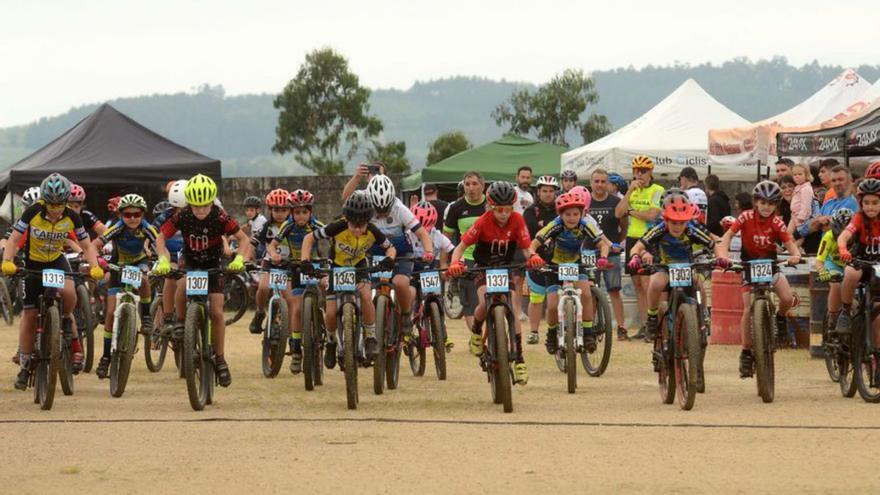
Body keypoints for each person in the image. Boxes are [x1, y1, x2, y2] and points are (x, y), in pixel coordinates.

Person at [3, 173, 104, 389]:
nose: (56, 209)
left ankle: (65, 319)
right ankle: (25, 363)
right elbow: (13, 239)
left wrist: (95, 267)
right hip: (33, 262)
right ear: (44, 201)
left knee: (69, 293)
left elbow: (87, 246)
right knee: (30, 315)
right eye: (51, 204)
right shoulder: (33, 212)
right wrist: (7, 261)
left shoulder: (72, 217)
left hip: (56, 261)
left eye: (60, 204)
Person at [153, 174, 250, 388]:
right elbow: (161, 236)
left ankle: (221, 358)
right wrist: (162, 258)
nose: (200, 211)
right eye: (196, 206)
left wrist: (240, 258)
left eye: (205, 206)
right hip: (190, 260)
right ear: (190, 203)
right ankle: (180, 323)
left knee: (216, 312)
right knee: (182, 284)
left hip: (213, 263)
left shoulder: (220, 216)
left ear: (211, 202)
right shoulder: (183, 216)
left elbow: (244, 239)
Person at [447, 181, 542, 385]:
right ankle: (476, 332)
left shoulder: (517, 220)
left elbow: (526, 249)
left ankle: (519, 359)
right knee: (483, 302)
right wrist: (455, 262)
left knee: (513, 312)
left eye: (508, 209)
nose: (504, 214)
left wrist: (533, 257)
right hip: (483, 267)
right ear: (490, 207)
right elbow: (460, 247)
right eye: (499, 210)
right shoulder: (482, 221)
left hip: (504, 267)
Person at [716, 181, 801, 378]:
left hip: (770, 265)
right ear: (755, 202)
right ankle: (746, 352)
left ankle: (780, 317)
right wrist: (723, 255)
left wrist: (795, 254)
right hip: (749, 267)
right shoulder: (745, 217)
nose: (766, 207)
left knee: (787, 298)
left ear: (776, 205)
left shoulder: (777, 222)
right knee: (747, 309)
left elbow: (789, 242)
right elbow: (727, 236)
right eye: (762, 202)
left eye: (771, 204)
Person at [300, 191, 396, 365]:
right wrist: (305, 261)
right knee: (330, 312)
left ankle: (370, 337)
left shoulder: (373, 231)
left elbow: (391, 248)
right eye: (353, 224)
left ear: (369, 221)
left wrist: (389, 259)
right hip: (337, 266)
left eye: (362, 225)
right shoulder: (336, 227)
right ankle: (331, 342)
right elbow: (308, 238)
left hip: (359, 266)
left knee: (367, 296)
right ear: (346, 219)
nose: (358, 229)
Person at [627, 195, 721, 343]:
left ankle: (703, 315)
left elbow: (714, 244)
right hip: (664, 266)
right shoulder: (659, 229)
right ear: (666, 220)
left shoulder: (691, 229)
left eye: (682, 223)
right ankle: (652, 317)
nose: (678, 227)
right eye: (674, 223)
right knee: (656, 283)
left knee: (698, 283)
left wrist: (721, 258)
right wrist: (635, 257)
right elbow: (637, 247)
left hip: (686, 265)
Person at [531, 188, 611, 353]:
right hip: (553, 265)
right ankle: (552, 334)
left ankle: (587, 332)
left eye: (575, 214)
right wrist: (533, 255)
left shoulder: (585, 225)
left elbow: (603, 244)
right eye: (567, 215)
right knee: (552, 306)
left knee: (587, 294)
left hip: (575, 263)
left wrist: (603, 257)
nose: (572, 218)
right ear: (561, 215)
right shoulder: (555, 225)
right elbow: (535, 243)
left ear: (582, 213)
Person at [92, 194, 158, 379]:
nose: (132, 218)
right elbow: (95, 244)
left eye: (136, 214)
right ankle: (106, 357)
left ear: (143, 214)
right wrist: (96, 261)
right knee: (111, 314)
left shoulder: (147, 228)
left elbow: (160, 244)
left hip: (139, 263)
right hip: (117, 266)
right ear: (121, 215)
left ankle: (145, 317)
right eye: (127, 215)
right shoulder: (117, 228)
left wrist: (163, 260)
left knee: (144, 280)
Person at [365, 174, 433, 342]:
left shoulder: (400, 208)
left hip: (402, 252)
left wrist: (428, 251)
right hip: (376, 252)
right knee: (370, 291)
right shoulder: (365, 207)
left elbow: (422, 233)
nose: (381, 213)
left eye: (385, 209)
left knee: (401, 283)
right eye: (377, 209)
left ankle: (405, 315)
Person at [267, 189, 324, 374]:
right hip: (296, 268)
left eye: (304, 212)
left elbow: (333, 240)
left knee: (326, 286)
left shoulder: (317, 226)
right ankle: (297, 348)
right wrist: (274, 255)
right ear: (292, 213)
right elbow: (272, 245)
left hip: (315, 266)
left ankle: (323, 315)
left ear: (310, 212)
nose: (301, 216)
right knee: (297, 308)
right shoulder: (287, 226)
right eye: (297, 212)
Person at [615, 155, 664, 340]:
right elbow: (618, 213)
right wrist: (628, 193)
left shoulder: (657, 189)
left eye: (643, 171)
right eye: (636, 171)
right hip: (631, 238)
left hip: (649, 238)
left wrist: (631, 212)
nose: (639, 174)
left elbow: (652, 215)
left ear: (651, 172)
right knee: (637, 284)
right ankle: (644, 326)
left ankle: (655, 326)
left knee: (647, 283)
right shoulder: (632, 190)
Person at [834, 179, 880, 340]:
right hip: (860, 261)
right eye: (866, 203)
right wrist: (843, 249)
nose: (870, 207)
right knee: (851, 273)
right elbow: (844, 236)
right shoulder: (859, 218)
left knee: (877, 315)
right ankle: (845, 312)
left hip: (878, 266)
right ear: (861, 203)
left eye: (875, 203)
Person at [587, 169, 628, 340]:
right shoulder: (584, 201)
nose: (599, 185)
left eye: (603, 181)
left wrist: (619, 242)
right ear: (591, 183)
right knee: (590, 291)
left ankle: (621, 327)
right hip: (588, 251)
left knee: (614, 290)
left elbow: (624, 225)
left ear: (608, 184)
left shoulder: (616, 201)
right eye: (596, 181)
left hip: (611, 252)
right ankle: (591, 326)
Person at [443, 171, 488, 329]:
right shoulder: (456, 208)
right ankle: (475, 335)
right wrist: (444, 263)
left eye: (475, 184)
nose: (471, 188)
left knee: (489, 299)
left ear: (482, 186)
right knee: (470, 302)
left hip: (489, 258)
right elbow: (446, 238)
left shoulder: (491, 205)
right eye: (467, 184)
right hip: (466, 257)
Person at [407, 201, 454, 350]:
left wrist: (456, 262)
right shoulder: (407, 235)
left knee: (437, 298)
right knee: (411, 295)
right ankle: (406, 326)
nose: (424, 231)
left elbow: (450, 248)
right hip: (413, 270)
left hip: (430, 271)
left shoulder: (436, 234)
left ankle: (442, 332)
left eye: (428, 226)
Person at [248, 188, 294, 335]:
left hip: (287, 264)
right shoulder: (266, 226)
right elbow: (253, 242)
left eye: (284, 210)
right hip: (270, 262)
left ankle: (292, 331)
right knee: (263, 288)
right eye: (276, 210)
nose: (280, 213)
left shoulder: (292, 226)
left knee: (288, 297)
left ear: (289, 210)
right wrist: (248, 258)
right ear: (270, 210)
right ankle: (260, 312)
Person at [524, 175, 560, 344]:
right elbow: (528, 236)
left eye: (551, 191)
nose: (547, 194)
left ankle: (560, 328)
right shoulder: (530, 211)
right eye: (544, 191)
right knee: (536, 298)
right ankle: (534, 331)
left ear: (555, 193)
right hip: (536, 259)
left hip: (558, 259)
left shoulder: (561, 209)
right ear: (538, 192)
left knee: (558, 297)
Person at [153, 179, 187, 333]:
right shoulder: (166, 216)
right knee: (171, 276)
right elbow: (153, 232)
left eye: (182, 208)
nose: (178, 212)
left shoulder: (198, 215)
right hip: (171, 254)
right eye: (175, 208)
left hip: (190, 254)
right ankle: (167, 317)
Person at [815, 208, 854, 333]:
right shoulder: (828, 236)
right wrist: (823, 273)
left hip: (852, 265)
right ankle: (832, 317)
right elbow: (819, 261)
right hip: (833, 264)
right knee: (836, 285)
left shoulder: (858, 236)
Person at [795, 165, 858, 240]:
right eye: (834, 180)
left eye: (840, 179)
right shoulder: (828, 203)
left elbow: (835, 229)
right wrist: (819, 221)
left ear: (850, 180)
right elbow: (811, 226)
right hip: (825, 249)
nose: (837, 183)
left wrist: (822, 223)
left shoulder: (854, 203)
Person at [788, 163, 815, 235]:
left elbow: (806, 205)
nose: (797, 176)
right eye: (794, 175)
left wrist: (801, 218)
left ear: (806, 175)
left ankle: (796, 246)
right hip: (794, 215)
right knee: (788, 234)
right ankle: (788, 246)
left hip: (801, 218)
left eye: (800, 174)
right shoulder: (798, 187)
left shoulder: (806, 188)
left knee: (799, 235)